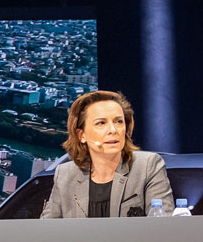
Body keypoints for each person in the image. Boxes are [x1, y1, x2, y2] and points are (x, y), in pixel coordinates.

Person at [40, 89, 173, 219]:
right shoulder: (65, 174)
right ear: (82, 135)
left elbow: (163, 226)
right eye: (101, 123)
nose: (113, 130)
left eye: (119, 121)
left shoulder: (148, 166)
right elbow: (45, 229)